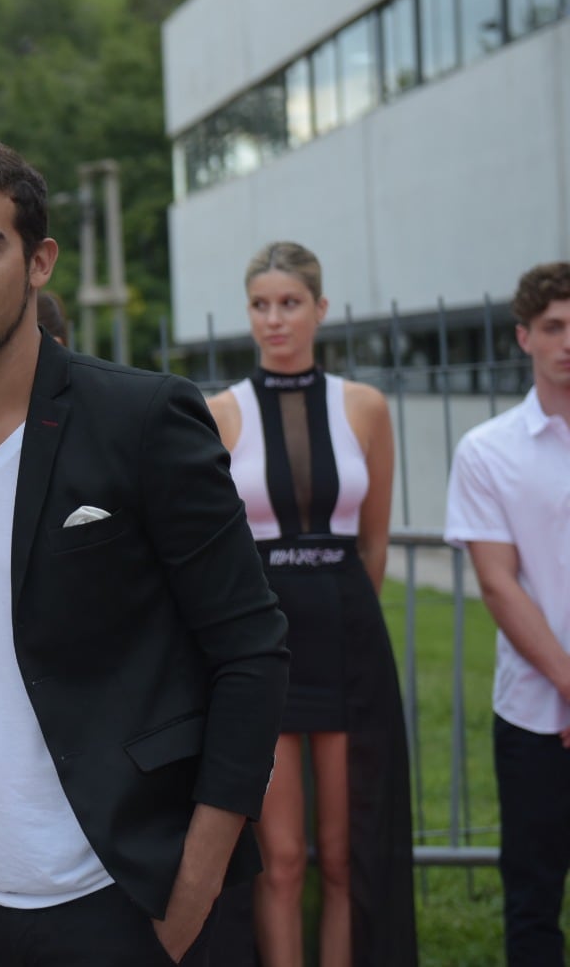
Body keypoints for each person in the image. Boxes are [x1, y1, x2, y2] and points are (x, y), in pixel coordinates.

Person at [0, 138, 289, 965]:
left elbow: (252, 653)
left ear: (40, 262)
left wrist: (191, 897)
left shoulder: (143, 420)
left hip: (126, 896)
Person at [206, 242, 415, 967]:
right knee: (283, 857)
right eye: (260, 305)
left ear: (320, 310)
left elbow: (376, 542)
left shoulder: (366, 407)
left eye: (289, 304)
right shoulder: (220, 413)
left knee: (345, 853)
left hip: (349, 637)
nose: (274, 319)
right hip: (265, 645)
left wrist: (353, 618)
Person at [445, 261, 570, 966]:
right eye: (553, 327)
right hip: (532, 714)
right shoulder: (487, 452)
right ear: (524, 337)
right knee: (533, 901)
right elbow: (499, 584)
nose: (567, 342)